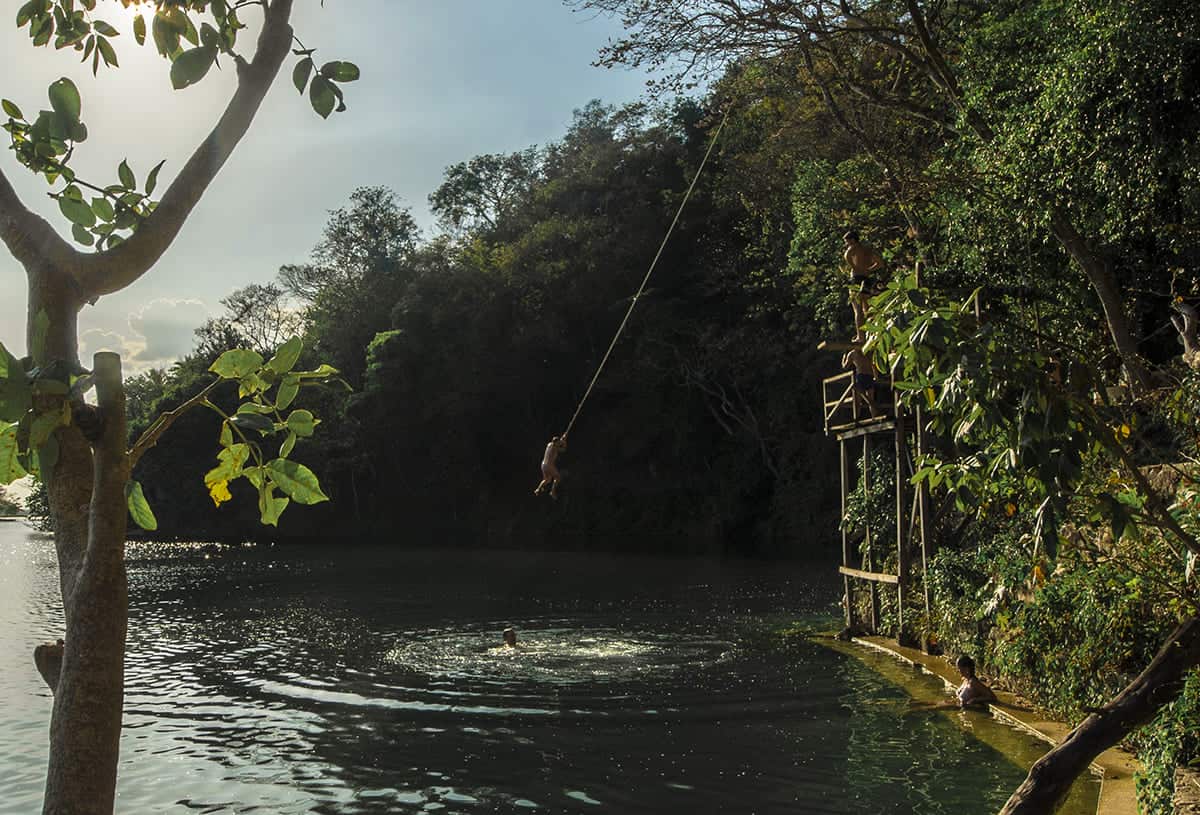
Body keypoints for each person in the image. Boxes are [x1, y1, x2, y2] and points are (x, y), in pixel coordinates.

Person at [843, 230, 885, 340]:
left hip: (856, 279)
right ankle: (872, 334)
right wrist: (869, 269)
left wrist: (854, 267)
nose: (846, 244)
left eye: (847, 241)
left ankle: (860, 336)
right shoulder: (867, 250)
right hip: (866, 279)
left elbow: (846, 256)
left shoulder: (853, 248)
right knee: (867, 309)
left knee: (857, 309)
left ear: (852, 240)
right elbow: (880, 263)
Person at [841, 346, 878, 417]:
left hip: (862, 376)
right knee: (869, 400)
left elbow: (845, 366)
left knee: (860, 401)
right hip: (868, 376)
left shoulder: (853, 353)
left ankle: (858, 418)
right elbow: (873, 365)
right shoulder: (867, 351)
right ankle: (873, 417)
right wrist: (876, 376)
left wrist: (843, 358)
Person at [533, 434, 567, 499]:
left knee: (547, 480)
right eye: (558, 442)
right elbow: (563, 449)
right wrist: (564, 442)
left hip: (543, 465)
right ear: (556, 443)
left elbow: (558, 443)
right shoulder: (555, 448)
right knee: (558, 477)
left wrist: (562, 440)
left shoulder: (549, 444)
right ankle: (552, 492)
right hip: (549, 465)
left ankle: (538, 489)